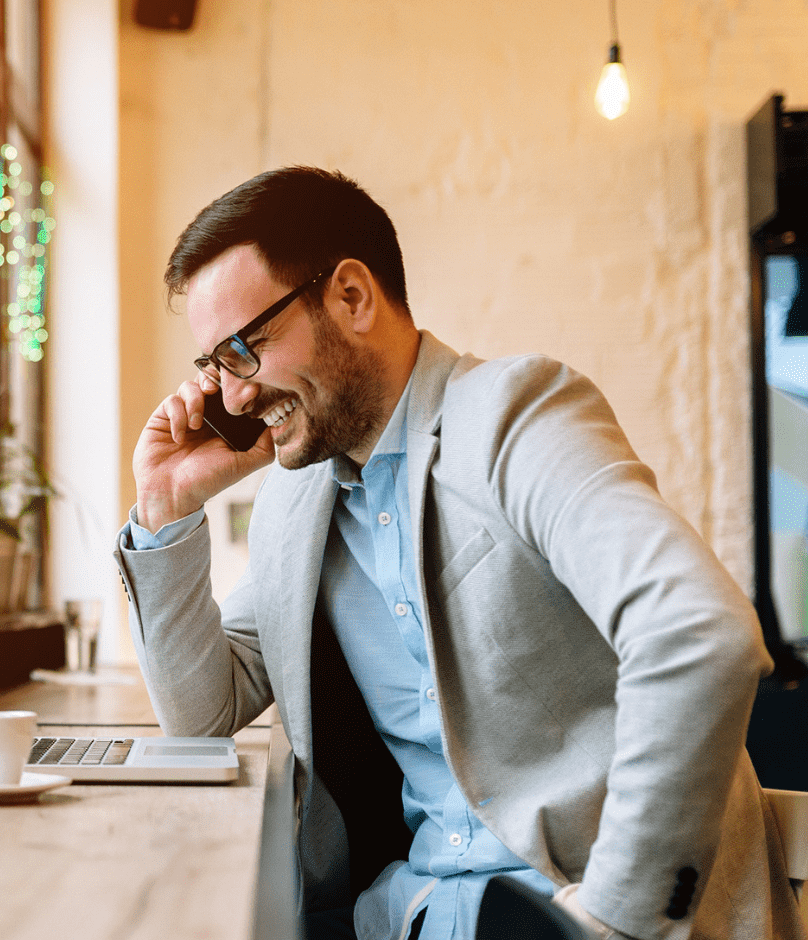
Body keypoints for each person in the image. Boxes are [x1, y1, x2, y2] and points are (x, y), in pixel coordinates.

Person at [111, 166, 803, 940]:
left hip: (588, 913)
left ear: (351, 296)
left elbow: (697, 633)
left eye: (244, 348)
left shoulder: (517, 415)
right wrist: (165, 508)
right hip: (421, 913)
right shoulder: (292, 504)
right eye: (213, 366)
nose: (232, 396)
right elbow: (203, 713)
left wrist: (616, 918)